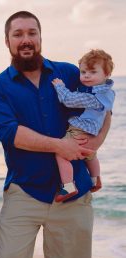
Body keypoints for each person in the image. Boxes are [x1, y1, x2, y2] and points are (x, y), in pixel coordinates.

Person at [0, 11, 111, 258]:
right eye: (18, 34)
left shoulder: (69, 73)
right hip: (23, 189)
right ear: (7, 41)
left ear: (41, 37)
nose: (26, 39)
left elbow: (104, 109)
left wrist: (94, 146)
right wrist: (60, 146)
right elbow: (10, 133)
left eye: (32, 32)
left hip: (73, 190)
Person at [51, 49, 115, 202]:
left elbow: (69, 100)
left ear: (106, 74)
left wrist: (59, 86)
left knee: (61, 153)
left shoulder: (93, 96)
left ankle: (68, 186)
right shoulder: (109, 93)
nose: (86, 75)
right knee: (90, 154)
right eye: (83, 71)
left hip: (80, 129)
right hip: (93, 130)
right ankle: (95, 179)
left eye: (93, 72)